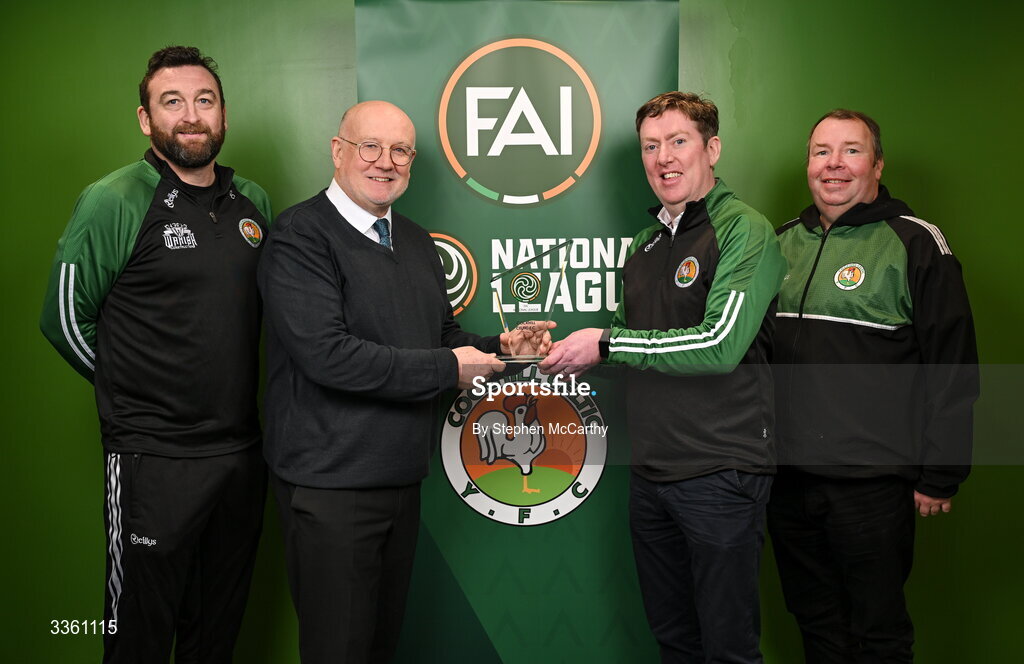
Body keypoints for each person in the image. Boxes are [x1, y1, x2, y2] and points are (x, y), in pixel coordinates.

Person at [257, 100, 552, 664]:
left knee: (379, 648)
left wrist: (500, 349)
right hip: (329, 489)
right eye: (370, 146)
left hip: (400, 481)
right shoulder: (299, 236)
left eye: (400, 151)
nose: (385, 162)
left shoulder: (416, 241)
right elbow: (328, 356)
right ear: (338, 151)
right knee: (338, 651)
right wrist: (449, 369)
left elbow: (439, 337)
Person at [39, 46, 271, 662]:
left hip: (241, 458)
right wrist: (133, 391)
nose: (191, 115)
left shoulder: (253, 203)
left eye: (204, 100)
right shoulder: (114, 200)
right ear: (146, 120)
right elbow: (62, 319)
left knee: (214, 636)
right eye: (172, 102)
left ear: (223, 114)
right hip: (152, 459)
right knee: (137, 638)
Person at [541, 91, 786, 663]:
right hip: (652, 475)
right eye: (651, 146)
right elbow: (624, 345)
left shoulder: (744, 231)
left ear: (712, 148)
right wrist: (548, 351)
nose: (663, 158)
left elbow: (718, 346)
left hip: (721, 473)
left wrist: (605, 342)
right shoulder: (645, 243)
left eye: (678, 141)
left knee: (727, 648)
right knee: (674, 640)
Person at [768, 109, 979, 662]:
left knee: (877, 633)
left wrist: (941, 473)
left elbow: (953, 367)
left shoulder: (916, 243)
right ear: (808, 164)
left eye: (851, 151)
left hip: (872, 485)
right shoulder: (780, 244)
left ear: (877, 164)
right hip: (787, 483)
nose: (834, 165)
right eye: (821, 152)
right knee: (816, 626)